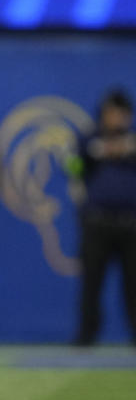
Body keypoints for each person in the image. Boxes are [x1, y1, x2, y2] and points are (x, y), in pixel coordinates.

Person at [68, 89, 136, 345]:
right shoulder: (88, 140)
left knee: (133, 285)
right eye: (111, 113)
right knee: (91, 282)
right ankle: (86, 334)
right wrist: (101, 151)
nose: (115, 119)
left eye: (120, 113)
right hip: (98, 221)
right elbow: (72, 168)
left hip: (131, 222)